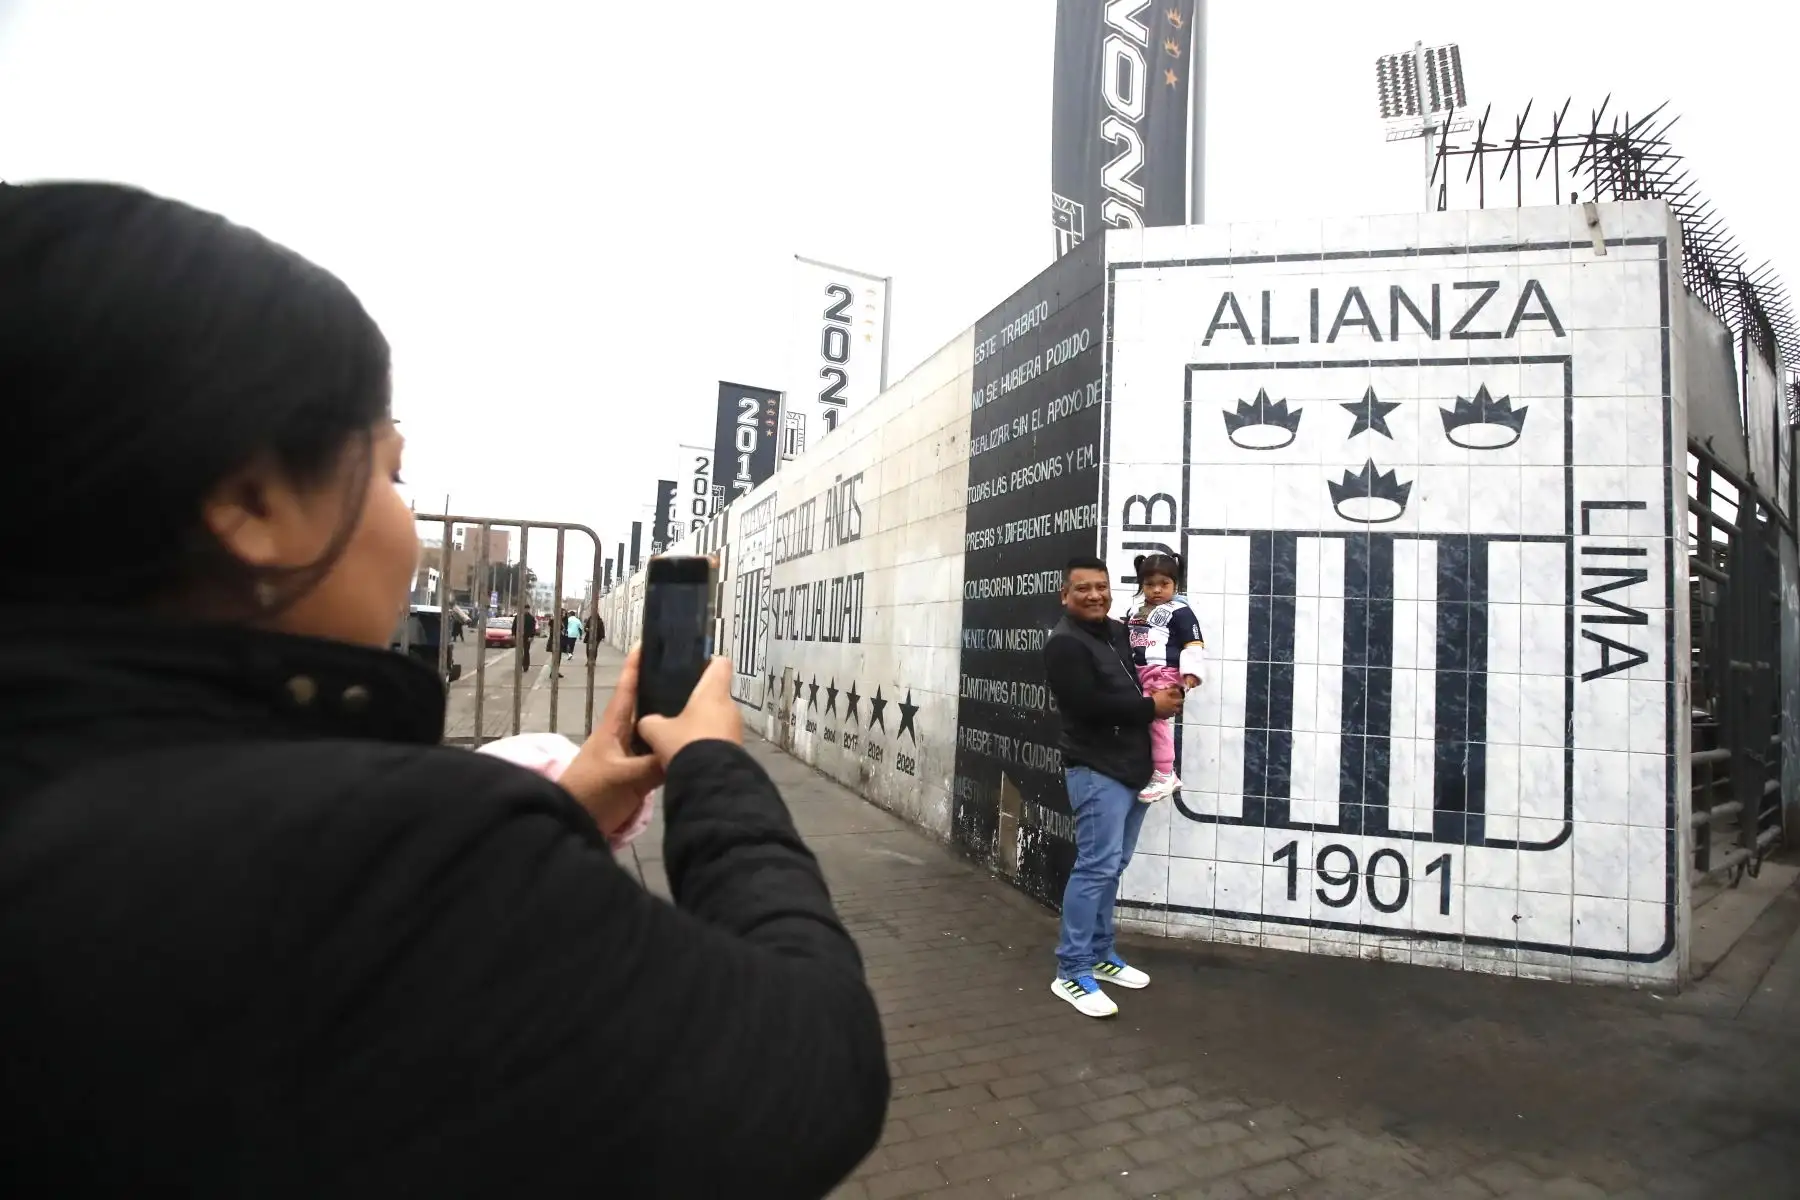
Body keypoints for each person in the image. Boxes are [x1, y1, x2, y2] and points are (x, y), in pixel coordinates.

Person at [0, 181, 888, 1195]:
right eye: (388, 475)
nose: (408, 525)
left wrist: (565, 809)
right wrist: (715, 770)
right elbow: (816, 1063)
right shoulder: (390, 854)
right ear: (250, 503)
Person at [1042, 556, 1185, 1018]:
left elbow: (1151, 670)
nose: (1094, 595)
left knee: (1112, 866)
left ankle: (1101, 954)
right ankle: (1071, 970)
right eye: (1083, 588)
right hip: (1096, 769)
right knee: (1096, 867)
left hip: (1134, 769)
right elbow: (1086, 706)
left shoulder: (1121, 632)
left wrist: (1175, 685)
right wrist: (1151, 707)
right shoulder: (1064, 644)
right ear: (1065, 595)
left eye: (1101, 587)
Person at [1124, 552, 1206, 803]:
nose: (1157, 590)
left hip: (1164, 673)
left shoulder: (1181, 611)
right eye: (1150, 584)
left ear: (1175, 584)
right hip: (1139, 673)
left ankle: (1165, 773)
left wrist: (1190, 675)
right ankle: (1152, 768)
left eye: (1164, 584)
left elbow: (1193, 643)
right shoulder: (1135, 610)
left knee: (1156, 721)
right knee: (1141, 718)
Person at [512, 606, 536, 671]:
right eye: (525, 609)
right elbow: (514, 626)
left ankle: (525, 666)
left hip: (527, 637)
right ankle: (518, 665)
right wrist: (513, 634)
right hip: (519, 637)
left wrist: (531, 636)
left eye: (527, 609)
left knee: (526, 652)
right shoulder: (518, 617)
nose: (526, 610)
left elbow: (533, 628)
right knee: (519, 652)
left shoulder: (531, 618)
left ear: (529, 609)